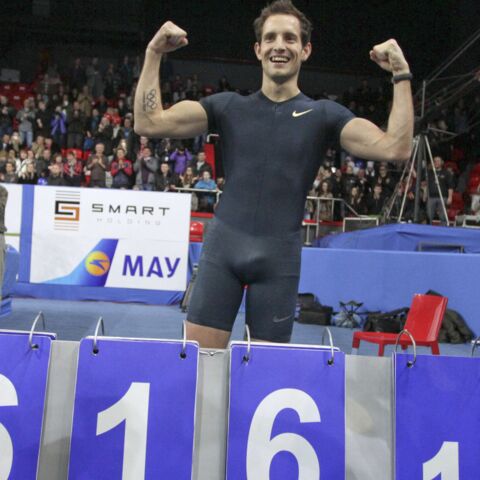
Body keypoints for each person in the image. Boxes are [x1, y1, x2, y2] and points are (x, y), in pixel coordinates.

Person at [134, 0, 413, 348]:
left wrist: (400, 74)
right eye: (271, 38)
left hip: (278, 260)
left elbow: (396, 148)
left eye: (290, 38)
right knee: (201, 368)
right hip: (223, 252)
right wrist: (153, 52)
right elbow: (148, 122)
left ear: (305, 49)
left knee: (264, 382)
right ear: (258, 49)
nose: (279, 45)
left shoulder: (323, 115)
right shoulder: (228, 107)